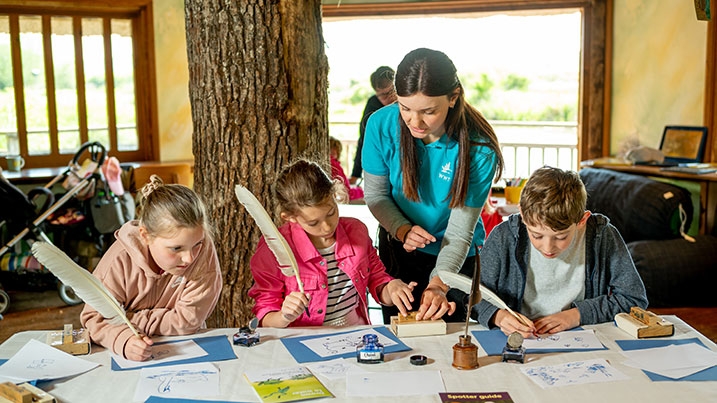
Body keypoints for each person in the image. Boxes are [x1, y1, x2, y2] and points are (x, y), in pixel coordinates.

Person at [362, 48, 504, 324]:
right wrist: (401, 229)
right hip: (399, 249)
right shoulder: (380, 124)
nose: (415, 122)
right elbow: (376, 195)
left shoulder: (479, 149)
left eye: (428, 111)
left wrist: (440, 284)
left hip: (456, 255)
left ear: (453, 98)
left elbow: (461, 233)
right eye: (405, 108)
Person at [471, 166, 648, 338]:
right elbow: (471, 296)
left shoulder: (602, 236)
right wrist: (498, 316)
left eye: (561, 237)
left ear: (582, 221)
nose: (548, 248)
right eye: (537, 236)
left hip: (581, 340)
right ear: (522, 215)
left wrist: (576, 315)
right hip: (518, 340)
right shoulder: (504, 237)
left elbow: (633, 299)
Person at [248, 159, 415, 328]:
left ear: (334, 195)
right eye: (313, 223)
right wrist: (284, 316)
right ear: (290, 217)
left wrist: (392, 289)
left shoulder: (356, 232)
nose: (327, 226)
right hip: (302, 340)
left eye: (331, 212)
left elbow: (377, 279)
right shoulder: (274, 249)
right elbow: (266, 315)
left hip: (355, 331)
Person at [80, 175, 222, 361]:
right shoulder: (119, 260)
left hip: (187, 351)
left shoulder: (204, 250)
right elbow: (93, 319)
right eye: (176, 248)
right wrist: (123, 340)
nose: (189, 258)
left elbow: (188, 321)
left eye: (197, 244)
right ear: (145, 235)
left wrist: (127, 318)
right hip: (126, 359)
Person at [349, 66, 398, 185]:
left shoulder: (409, 101)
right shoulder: (373, 107)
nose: (390, 98)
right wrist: (355, 174)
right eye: (383, 95)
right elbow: (364, 139)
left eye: (393, 92)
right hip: (383, 165)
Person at [329, 136, 364, 203]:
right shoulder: (334, 166)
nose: (333, 151)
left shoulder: (332, 164)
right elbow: (346, 192)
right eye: (331, 148)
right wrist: (360, 191)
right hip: (343, 198)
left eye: (335, 148)